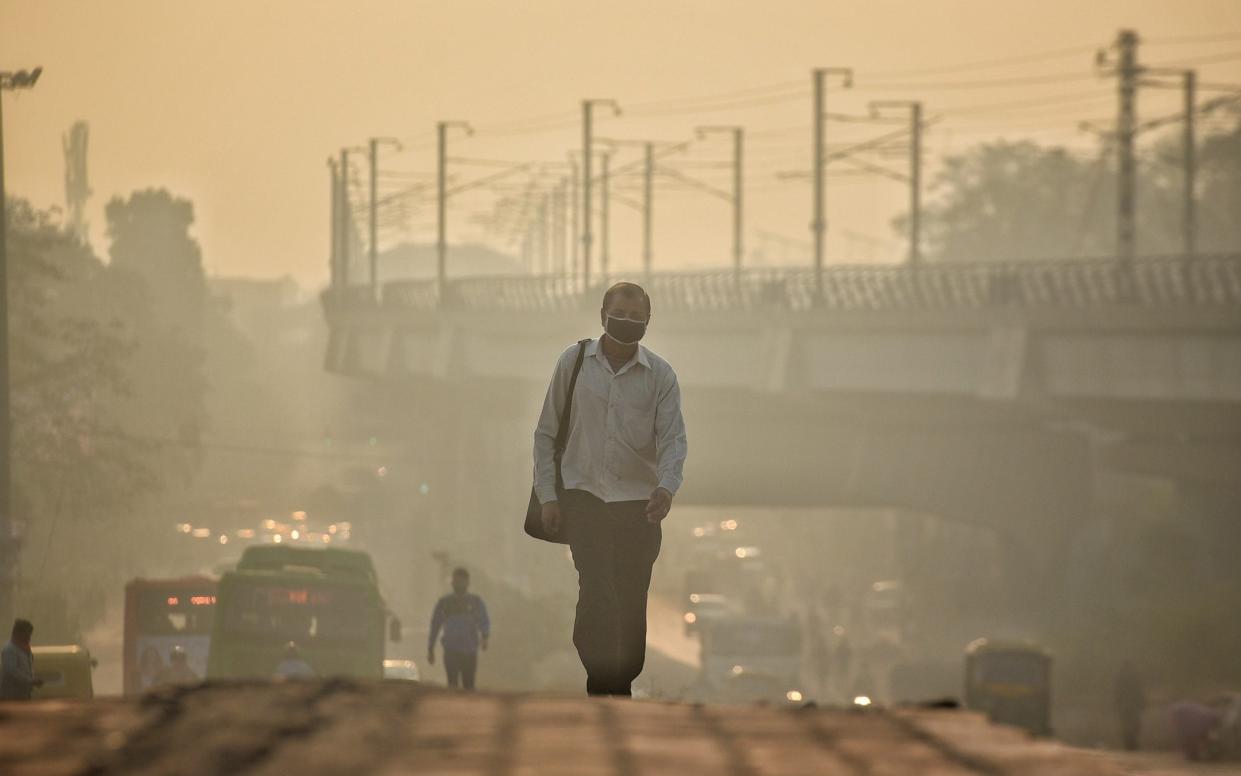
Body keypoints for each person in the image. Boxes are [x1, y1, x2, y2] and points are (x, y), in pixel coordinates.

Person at [533, 281, 688, 697]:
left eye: (638, 318)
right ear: (602, 315)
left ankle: (620, 680)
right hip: (584, 499)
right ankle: (603, 683)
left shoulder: (661, 376)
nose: (628, 323)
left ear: (648, 323)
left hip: (637, 507)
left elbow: (673, 440)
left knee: (630, 600)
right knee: (597, 589)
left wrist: (666, 488)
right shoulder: (574, 362)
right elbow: (546, 434)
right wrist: (549, 496)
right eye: (621, 314)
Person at [427, 567, 490, 690]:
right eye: (457, 581)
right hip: (451, 650)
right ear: (452, 583)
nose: (459, 584)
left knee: (469, 684)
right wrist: (430, 648)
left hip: (470, 650)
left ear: (467, 583)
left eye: (462, 581)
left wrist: (485, 637)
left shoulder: (475, 602)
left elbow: (484, 621)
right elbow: (435, 625)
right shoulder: (445, 602)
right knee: (452, 684)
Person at [1, 619, 43, 700]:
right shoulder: (9, 650)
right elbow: (12, 671)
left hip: (23, 694)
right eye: (27, 634)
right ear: (18, 633)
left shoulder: (24, 648)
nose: (29, 637)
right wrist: (31, 681)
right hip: (11, 695)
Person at [1113, 660, 1146, 751]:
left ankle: (1128, 743)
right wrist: (1143, 703)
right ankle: (1132, 742)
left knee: (1126, 724)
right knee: (1135, 724)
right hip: (1132, 704)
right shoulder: (1135, 677)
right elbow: (1139, 691)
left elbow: (1117, 692)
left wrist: (1116, 704)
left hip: (1125, 704)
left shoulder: (1120, 677)